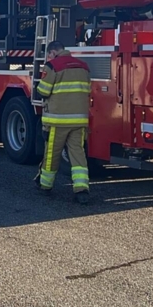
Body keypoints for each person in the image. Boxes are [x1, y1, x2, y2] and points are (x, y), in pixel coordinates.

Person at [34, 41, 91, 204]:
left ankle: (45, 185)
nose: (48, 58)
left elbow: (43, 91)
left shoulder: (53, 66)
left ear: (53, 52)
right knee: (77, 153)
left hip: (57, 120)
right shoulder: (83, 66)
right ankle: (81, 190)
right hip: (79, 120)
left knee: (52, 153)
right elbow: (88, 89)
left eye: (48, 55)